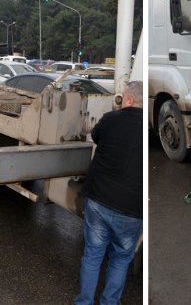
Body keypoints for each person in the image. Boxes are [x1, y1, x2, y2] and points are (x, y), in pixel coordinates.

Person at [75, 80, 143, 305]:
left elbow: (95, 137)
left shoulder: (111, 119)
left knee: (93, 255)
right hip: (132, 209)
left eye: (123, 96)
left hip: (99, 200)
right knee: (121, 260)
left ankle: (84, 302)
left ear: (130, 100)